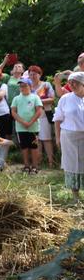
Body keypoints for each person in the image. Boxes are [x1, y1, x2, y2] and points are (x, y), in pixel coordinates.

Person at [53, 72, 84, 203]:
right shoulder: (65, 98)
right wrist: (57, 138)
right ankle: (75, 196)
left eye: (75, 82)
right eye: (70, 82)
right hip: (69, 137)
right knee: (72, 165)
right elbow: (58, 119)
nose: (72, 84)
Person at [11, 78, 43, 174]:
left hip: (33, 127)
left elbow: (39, 111)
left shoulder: (35, 97)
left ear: (30, 86)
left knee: (34, 146)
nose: (22, 87)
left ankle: (35, 166)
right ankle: (26, 166)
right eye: (21, 86)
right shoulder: (16, 98)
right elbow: (13, 112)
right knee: (24, 147)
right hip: (21, 128)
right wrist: (23, 122)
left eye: (25, 85)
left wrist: (30, 122)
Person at [28, 66, 55, 168]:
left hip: (44, 115)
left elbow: (52, 99)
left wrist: (37, 101)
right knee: (36, 139)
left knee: (47, 139)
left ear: (40, 74)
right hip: (32, 116)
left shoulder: (46, 85)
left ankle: (51, 162)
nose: (33, 75)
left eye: (35, 73)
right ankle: (38, 162)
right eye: (31, 74)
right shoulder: (27, 87)